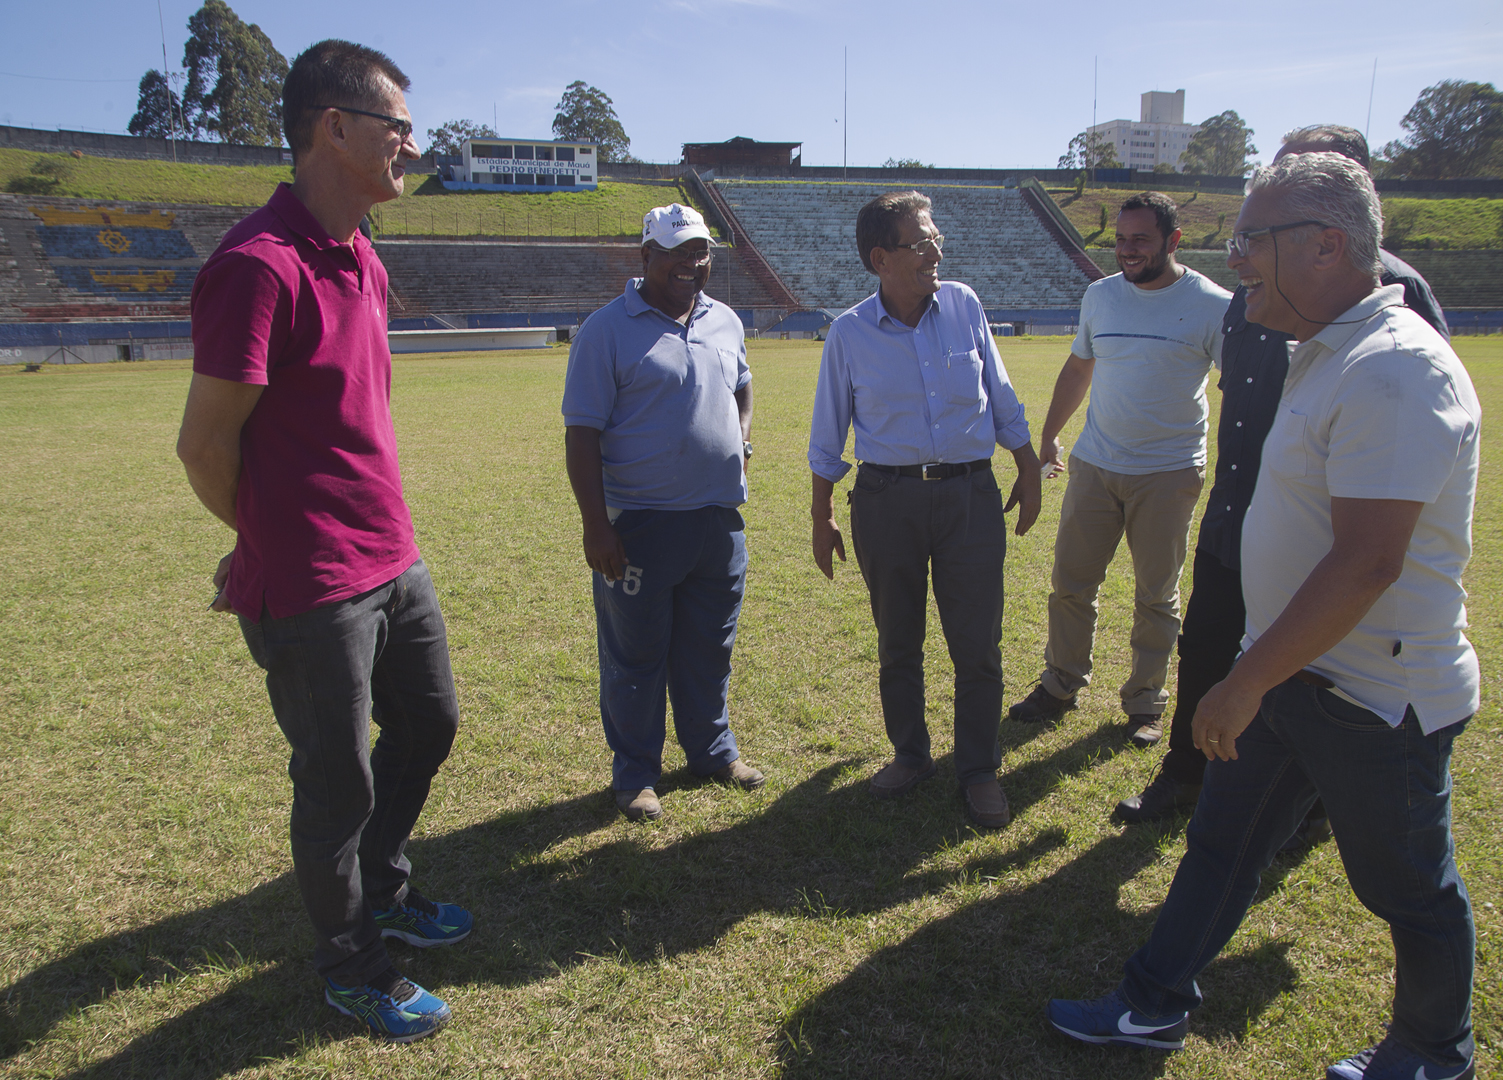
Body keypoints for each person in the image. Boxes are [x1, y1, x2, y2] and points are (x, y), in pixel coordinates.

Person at [1048, 152, 1479, 1080]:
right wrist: (1259, 673)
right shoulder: (1325, 349)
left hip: (1373, 693)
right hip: (1291, 671)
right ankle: (1151, 1004)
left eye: (1251, 239)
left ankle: (1434, 1051)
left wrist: (1243, 682)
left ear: (1325, 246)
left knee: (1408, 888)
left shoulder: (1392, 369)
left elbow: (1367, 562)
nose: (1233, 258)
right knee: (1220, 846)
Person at [175, 41, 470, 1042]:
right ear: (334, 128)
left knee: (429, 725)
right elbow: (204, 445)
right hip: (312, 586)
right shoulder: (257, 268)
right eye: (398, 127)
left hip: (393, 556)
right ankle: (352, 963)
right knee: (336, 783)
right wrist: (268, 539)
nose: (412, 146)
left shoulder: (364, 257)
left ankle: (383, 889)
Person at [1115, 125, 1451, 834]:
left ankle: (1310, 805)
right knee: (1206, 647)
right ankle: (1186, 771)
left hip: (1316, 532)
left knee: (1311, 672)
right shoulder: (1253, 288)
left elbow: (1407, 434)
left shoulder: (1392, 294)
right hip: (1235, 514)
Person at [808, 190, 1042, 829]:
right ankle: (911, 755)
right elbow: (828, 436)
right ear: (880, 259)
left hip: (970, 497)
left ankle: (979, 769)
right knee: (898, 639)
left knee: (978, 642)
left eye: (936, 238)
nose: (935, 251)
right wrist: (822, 515)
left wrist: (1027, 465)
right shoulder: (850, 333)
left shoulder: (964, 305)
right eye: (920, 242)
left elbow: (1000, 395)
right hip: (888, 502)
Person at [562, 203, 764, 823]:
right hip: (641, 525)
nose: (690, 264)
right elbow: (581, 434)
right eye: (676, 253)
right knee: (636, 656)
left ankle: (712, 752)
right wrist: (596, 526)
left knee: (710, 647)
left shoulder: (724, 320)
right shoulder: (606, 330)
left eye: (700, 252)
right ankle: (636, 775)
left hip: (718, 523)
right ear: (646, 255)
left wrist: (741, 438)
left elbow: (742, 385)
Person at [1009, 193, 1230, 748]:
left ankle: (1146, 701)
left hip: (1170, 471)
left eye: (1141, 240)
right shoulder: (1101, 295)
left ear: (1173, 241)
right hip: (1096, 464)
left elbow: (1239, 387)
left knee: (1157, 595)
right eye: (1121, 240)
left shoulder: (1213, 305)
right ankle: (1060, 685)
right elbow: (1079, 367)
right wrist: (1050, 434)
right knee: (1070, 584)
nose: (1127, 251)